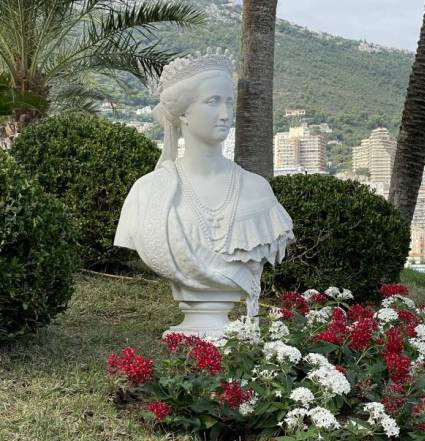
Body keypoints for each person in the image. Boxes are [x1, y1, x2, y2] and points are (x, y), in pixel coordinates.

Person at [114, 48, 295, 318]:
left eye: (229, 103)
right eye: (213, 101)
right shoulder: (147, 192)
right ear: (183, 113)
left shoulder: (257, 189)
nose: (225, 114)